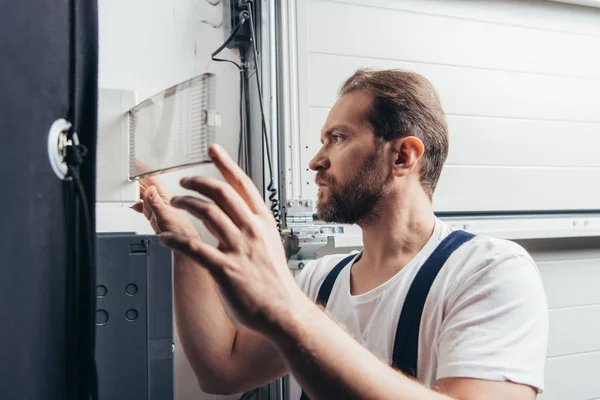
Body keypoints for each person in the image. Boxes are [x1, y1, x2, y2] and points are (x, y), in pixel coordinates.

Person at [133, 69, 548, 400]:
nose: (315, 161)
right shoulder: (321, 279)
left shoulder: (489, 271)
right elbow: (223, 370)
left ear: (403, 156)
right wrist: (185, 244)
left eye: (338, 138)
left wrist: (286, 308)